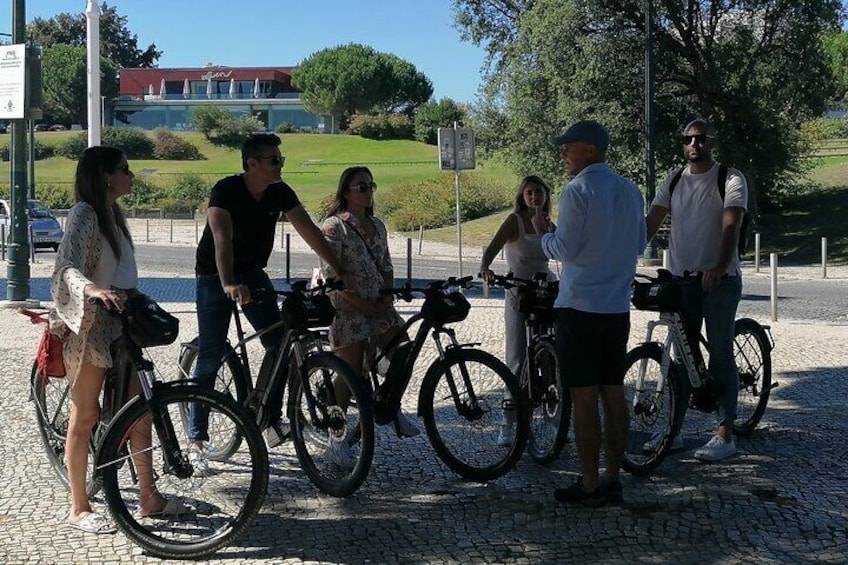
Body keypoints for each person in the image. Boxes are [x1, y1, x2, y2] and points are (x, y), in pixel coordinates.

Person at [51, 146, 186, 534]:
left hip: (122, 322)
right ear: (107, 176)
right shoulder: (85, 213)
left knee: (138, 409)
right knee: (86, 416)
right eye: (125, 170)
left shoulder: (115, 214)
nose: (131, 176)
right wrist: (92, 289)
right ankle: (78, 507)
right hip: (92, 325)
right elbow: (65, 266)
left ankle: (149, 496)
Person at [191, 133, 349, 462]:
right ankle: (197, 439)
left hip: (253, 273)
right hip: (214, 274)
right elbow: (222, 239)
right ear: (253, 163)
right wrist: (228, 283)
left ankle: (269, 418)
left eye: (281, 159)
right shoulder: (226, 190)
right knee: (210, 352)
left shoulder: (279, 192)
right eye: (274, 159)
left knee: (282, 344)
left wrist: (338, 269)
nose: (280, 165)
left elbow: (309, 231)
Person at [532, 120, 646, 506]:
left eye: (569, 145)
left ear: (591, 149)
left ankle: (589, 482)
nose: (563, 151)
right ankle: (613, 476)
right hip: (616, 307)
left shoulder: (577, 190)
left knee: (583, 398)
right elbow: (639, 242)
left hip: (580, 307)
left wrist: (543, 233)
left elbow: (565, 249)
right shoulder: (632, 191)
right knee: (613, 393)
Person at [645, 118, 748, 462]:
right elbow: (650, 223)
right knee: (682, 358)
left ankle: (725, 434)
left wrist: (719, 265)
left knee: (720, 353)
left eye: (701, 139)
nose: (694, 144)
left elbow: (731, 223)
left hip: (719, 279)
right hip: (680, 280)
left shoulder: (729, 178)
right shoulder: (673, 180)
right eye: (689, 139)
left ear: (713, 142)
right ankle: (673, 430)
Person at [320, 166, 421, 466]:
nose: (367, 192)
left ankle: (389, 405)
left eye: (370, 186)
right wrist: (362, 305)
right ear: (346, 192)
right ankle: (335, 439)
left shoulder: (377, 225)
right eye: (360, 187)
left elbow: (386, 265)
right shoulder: (333, 226)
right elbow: (331, 275)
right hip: (349, 308)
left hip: (378, 305)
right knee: (348, 375)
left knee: (403, 351)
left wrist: (386, 298)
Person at [480, 175, 556, 445]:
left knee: (550, 353)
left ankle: (553, 420)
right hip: (518, 290)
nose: (534, 197)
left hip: (544, 289)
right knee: (516, 356)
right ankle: (508, 423)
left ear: (546, 195)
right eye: (529, 193)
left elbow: (560, 252)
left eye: (538, 192)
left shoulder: (548, 224)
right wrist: (486, 268)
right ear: (522, 197)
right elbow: (491, 249)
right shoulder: (514, 221)